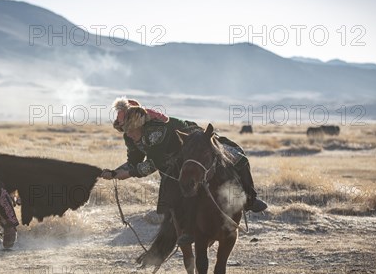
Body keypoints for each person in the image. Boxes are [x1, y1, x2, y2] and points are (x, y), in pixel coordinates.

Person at [101, 98, 267, 245]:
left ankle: (250, 199)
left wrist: (129, 173)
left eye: (129, 129)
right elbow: (133, 162)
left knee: (238, 157)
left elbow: (153, 164)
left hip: (194, 142)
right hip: (174, 161)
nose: (127, 134)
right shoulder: (130, 136)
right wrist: (115, 173)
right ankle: (187, 230)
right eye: (124, 129)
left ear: (138, 123)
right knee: (175, 196)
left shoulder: (155, 132)